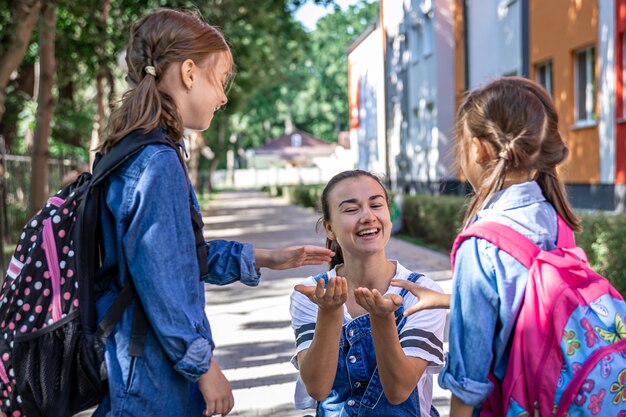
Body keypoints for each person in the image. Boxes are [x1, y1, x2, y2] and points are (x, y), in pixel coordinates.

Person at [92, 8, 334, 417]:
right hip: (155, 377)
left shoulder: (130, 150)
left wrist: (264, 258)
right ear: (189, 73)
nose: (223, 97)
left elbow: (176, 254)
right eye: (219, 81)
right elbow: (162, 281)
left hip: (135, 366)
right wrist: (204, 367)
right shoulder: (157, 162)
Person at [393, 77, 581, 417]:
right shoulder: (556, 218)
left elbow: (469, 380)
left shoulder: (482, 244)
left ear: (479, 148)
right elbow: (533, 300)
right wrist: (458, 301)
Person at [289, 170, 447, 417]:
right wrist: (329, 311)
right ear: (330, 228)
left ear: (389, 216)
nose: (368, 216)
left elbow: (398, 391)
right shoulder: (312, 294)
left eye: (376, 205)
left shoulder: (422, 293)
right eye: (351, 209)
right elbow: (318, 388)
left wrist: (383, 319)